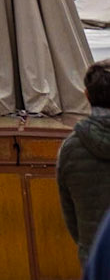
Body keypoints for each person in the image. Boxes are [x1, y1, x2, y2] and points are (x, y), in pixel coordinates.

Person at [57, 60, 110, 262]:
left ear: (86, 95)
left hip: (94, 256)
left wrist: (86, 245)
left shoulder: (70, 148)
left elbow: (69, 213)